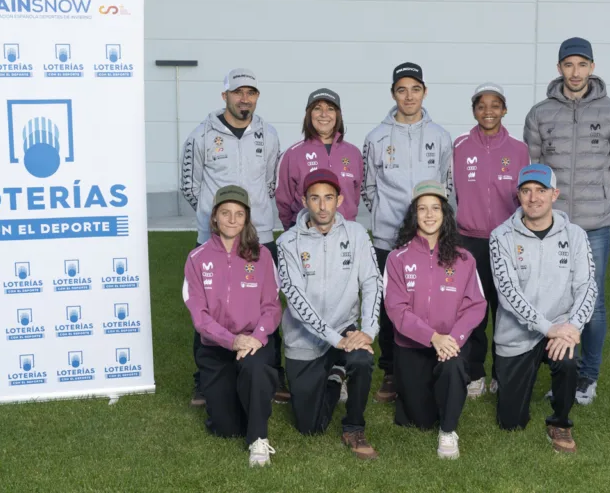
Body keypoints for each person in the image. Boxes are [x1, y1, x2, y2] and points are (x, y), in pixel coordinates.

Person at [523, 37, 610, 405]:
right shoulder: (540, 114)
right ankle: (554, 369)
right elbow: (532, 169)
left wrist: (601, 197)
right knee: (550, 297)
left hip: (594, 225)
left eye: (582, 64)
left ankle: (587, 376)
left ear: (592, 67)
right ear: (559, 68)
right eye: (568, 65)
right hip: (550, 225)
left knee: (592, 301)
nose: (575, 72)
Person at [180, 68, 289, 406]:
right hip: (213, 238)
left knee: (266, 304)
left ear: (257, 97)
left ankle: (271, 371)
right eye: (238, 92)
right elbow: (189, 185)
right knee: (208, 306)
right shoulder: (200, 136)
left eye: (251, 93)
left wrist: (251, 220)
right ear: (224, 95)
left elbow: (270, 183)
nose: (245, 98)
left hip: (259, 235)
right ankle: (205, 377)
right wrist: (215, 220)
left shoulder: (269, 135)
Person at [363, 62, 454, 403]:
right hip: (389, 240)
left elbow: (447, 185)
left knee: (429, 300)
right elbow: (368, 188)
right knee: (391, 307)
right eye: (402, 90)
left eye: (415, 89)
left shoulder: (440, 136)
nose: (409, 96)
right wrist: (386, 216)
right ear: (393, 94)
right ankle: (390, 370)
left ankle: (431, 359)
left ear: (424, 92)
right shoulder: (376, 137)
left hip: (430, 239)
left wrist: (434, 224)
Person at [489, 164, 596, 453]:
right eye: (526, 191)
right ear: (518, 195)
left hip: (560, 328)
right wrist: (547, 328)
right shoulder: (501, 236)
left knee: (568, 359)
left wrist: (572, 327)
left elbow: (587, 286)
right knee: (511, 422)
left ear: (554, 194)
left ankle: (560, 421)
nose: (533, 198)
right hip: (517, 335)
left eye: (541, 190)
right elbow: (507, 292)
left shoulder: (575, 235)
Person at [276, 169, 382, 460]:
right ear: (304, 201)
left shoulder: (356, 234)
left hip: (345, 326)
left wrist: (368, 330)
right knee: (309, 427)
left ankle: (354, 427)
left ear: (339, 200)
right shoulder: (287, 243)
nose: (322, 206)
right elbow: (295, 300)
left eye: (329, 198)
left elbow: (372, 282)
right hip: (305, 338)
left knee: (362, 358)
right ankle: (336, 375)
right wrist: (336, 340)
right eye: (315, 198)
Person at [383, 180, 486, 460]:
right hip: (412, 347)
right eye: (422, 208)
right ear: (414, 214)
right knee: (419, 421)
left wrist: (453, 339)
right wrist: (433, 337)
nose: (429, 215)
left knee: (453, 369)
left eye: (436, 208)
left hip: (451, 345)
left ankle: (448, 432)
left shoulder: (464, 258)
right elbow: (396, 309)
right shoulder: (397, 258)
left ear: (445, 213)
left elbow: (476, 305)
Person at [182, 185, 282, 467]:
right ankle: (248, 398)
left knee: (255, 368)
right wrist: (231, 340)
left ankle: (259, 439)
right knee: (226, 429)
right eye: (225, 213)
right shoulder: (197, 258)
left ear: (246, 218)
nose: (232, 219)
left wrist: (257, 337)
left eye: (239, 214)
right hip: (217, 346)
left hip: (253, 343)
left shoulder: (262, 255)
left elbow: (272, 306)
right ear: (214, 216)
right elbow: (199, 316)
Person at [452, 82, 530, 397]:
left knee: (506, 309)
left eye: (495, 105)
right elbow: (453, 191)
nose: (488, 111)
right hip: (469, 240)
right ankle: (474, 373)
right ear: (474, 110)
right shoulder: (459, 146)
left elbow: (524, 196)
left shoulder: (519, 149)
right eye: (481, 106)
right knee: (473, 308)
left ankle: (502, 371)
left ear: (504, 109)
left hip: (507, 240)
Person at [275, 88, 363, 231]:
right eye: (317, 108)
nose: (324, 114)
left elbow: (355, 197)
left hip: (345, 232)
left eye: (330, 109)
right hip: (305, 233)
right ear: (309, 114)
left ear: (338, 115)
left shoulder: (353, 153)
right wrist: (294, 230)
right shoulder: (292, 154)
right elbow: (283, 201)